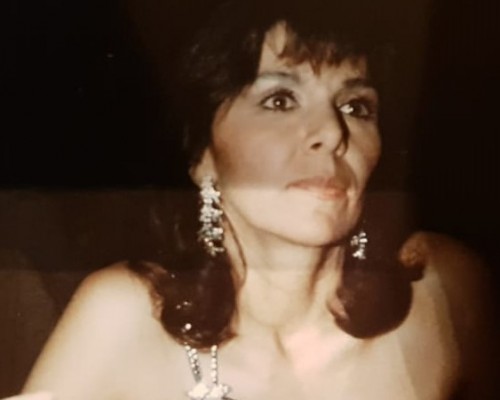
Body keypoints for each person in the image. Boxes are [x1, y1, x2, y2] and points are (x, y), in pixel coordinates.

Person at [16, 0, 494, 399]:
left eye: (356, 106)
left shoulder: (443, 288)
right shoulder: (125, 314)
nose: (332, 132)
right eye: (280, 100)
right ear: (204, 156)